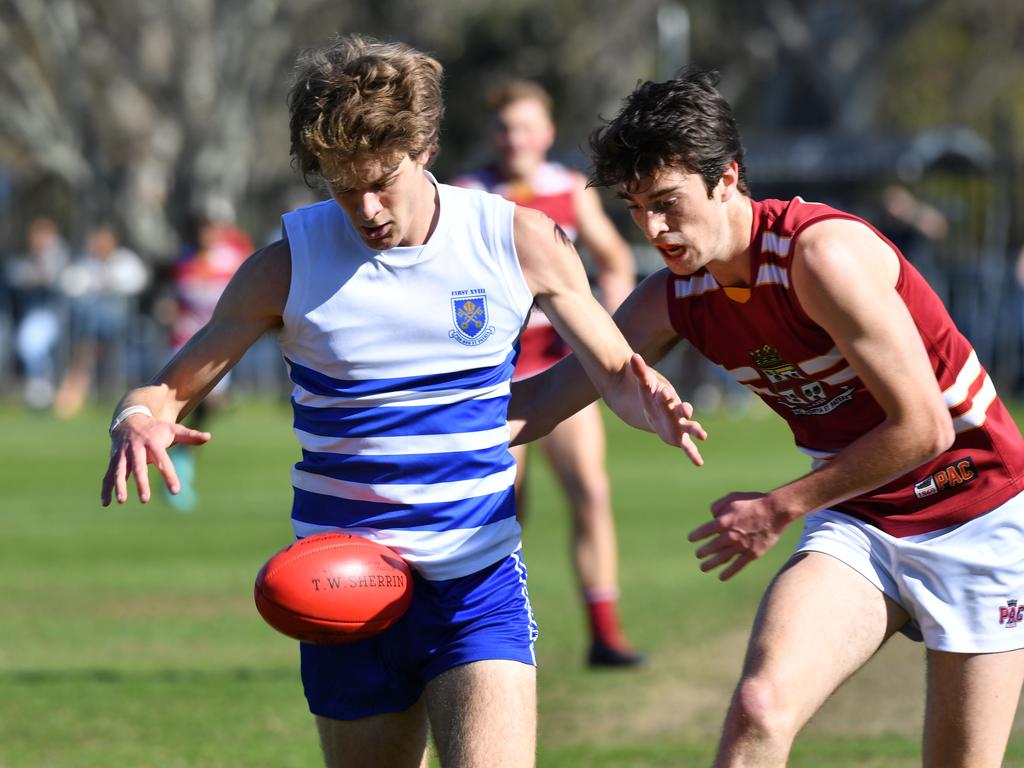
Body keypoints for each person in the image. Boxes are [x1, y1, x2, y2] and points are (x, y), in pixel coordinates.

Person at [99, 35, 706, 768]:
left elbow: (612, 369)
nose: (366, 207)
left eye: (383, 179)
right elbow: (167, 390)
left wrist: (645, 400)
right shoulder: (286, 265)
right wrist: (137, 420)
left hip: (473, 582)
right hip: (340, 591)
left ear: (423, 147)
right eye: (342, 185)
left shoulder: (518, 240)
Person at [514, 68, 1024, 767]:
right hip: (863, 520)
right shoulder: (676, 296)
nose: (652, 228)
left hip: (978, 515)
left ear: (727, 178)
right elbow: (548, 397)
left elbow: (924, 429)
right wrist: (410, 433)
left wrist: (778, 507)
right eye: (636, 207)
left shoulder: (821, 256)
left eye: (667, 202)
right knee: (760, 708)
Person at [451, 79, 643, 668]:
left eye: (527, 126)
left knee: (590, 491)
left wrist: (608, 331)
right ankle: (475, 634)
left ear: (548, 133)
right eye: (506, 128)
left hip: (561, 368)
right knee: (502, 507)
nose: (516, 138)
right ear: (493, 135)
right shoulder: (466, 194)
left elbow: (615, 261)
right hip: (496, 378)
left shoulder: (568, 191)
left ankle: (605, 634)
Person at [160, 214, 253, 510]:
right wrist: (167, 311)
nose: (206, 236)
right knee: (177, 403)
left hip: (217, 343)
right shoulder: (184, 261)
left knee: (211, 401)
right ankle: (174, 462)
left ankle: (181, 454)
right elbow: (170, 296)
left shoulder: (231, 259)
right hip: (184, 342)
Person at [53, 221, 149, 418]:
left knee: (99, 315)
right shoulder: (86, 263)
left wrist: (105, 284)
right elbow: (70, 285)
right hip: (89, 325)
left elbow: (136, 283)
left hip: (121, 321)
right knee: (89, 314)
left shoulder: (126, 261)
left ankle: (76, 381)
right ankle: (76, 381)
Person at [5, 216, 70, 409]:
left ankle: (43, 385)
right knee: (28, 343)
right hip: (33, 314)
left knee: (31, 342)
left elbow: (52, 277)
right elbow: (15, 275)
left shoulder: (58, 255)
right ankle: (41, 386)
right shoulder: (26, 256)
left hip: (54, 315)